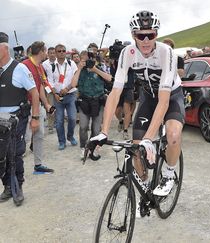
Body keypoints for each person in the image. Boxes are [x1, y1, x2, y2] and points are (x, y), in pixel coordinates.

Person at [89, 10, 185, 197]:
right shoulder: (128, 53)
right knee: (136, 148)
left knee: (173, 135)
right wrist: (103, 131)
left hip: (171, 96)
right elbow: (115, 92)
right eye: (141, 36)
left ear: (157, 34)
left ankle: (168, 174)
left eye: (151, 35)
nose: (147, 40)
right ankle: (146, 189)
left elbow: (164, 101)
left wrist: (150, 138)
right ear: (133, 35)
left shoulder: (167, 53)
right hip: (148, 96)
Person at [0, 32, 40, 206]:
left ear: (4, 48)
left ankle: (18, 187)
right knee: (2, 155)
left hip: (16, 119)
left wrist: (36, 117)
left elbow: (34, 93)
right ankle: (7, 186)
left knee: (15, 153)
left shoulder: (19, 68)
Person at [71, 49, 112, 160]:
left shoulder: (98, 68)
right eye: (83, 60)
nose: (86, 62)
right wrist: (79, 69)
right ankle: (83, 147)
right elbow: (73, 84)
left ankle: (92, 148)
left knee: (96, 128)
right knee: (83, 126)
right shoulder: (79, 70)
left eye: (88, 59)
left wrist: (95, 70)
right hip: (84, 101)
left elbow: (109, 78)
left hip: (98, 101)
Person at [21, 41, 55, 173]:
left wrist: (46, 104)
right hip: (26, 106)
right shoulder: (24, 65)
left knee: (40, 134)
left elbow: (41, 86)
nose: (46, 54)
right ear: (41, 52)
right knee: (25, 136)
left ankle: (38, 165)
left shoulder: (39, 67)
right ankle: (14, 167)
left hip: (37, 106)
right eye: (45, 51)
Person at [50, 44, 79, 150]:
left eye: (63, 51)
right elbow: (50, 82)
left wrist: (67, 88)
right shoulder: (51, 66)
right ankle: (61, 141)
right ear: (56, 53)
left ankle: (70, 136)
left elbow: (76, 78)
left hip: (70, 94)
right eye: (59, 51)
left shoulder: (71, 64)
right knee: (59, 122)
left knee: (72, 118)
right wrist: (55, 94)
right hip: (58, 97)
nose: (62, 52)